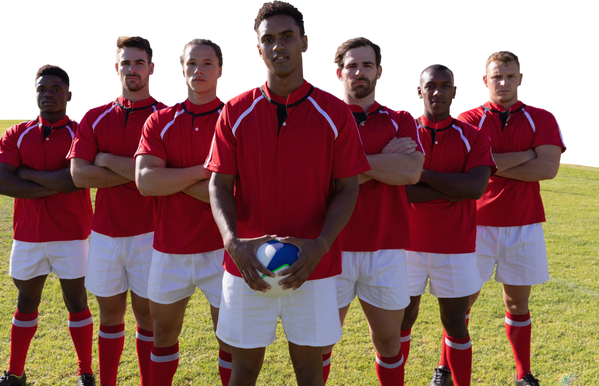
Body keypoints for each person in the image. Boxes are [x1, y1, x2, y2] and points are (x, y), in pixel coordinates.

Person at [204, 1, 370, 384]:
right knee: (243, 370)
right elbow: (219, 183)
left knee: (310, 373)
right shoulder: (235, 109)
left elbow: (347, 187)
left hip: (313, 267)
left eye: (287, 36)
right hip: (248, 267)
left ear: (306, 43)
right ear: (257, 49)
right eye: (268, 39)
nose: (279, 46)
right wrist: (233, 242)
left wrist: (321, 244)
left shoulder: (335, 111)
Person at [456, 48, 569, 386]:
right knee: (459, 306)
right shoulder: (467, 119)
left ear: (521, 78)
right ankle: (446, 369)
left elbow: (547, 168)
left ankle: (524, 374)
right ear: (483, 80)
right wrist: (525, 155)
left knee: (517, 304)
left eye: (509, 76)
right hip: (473, 225)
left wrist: (490, 163)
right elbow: (468, 167)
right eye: (496, 76)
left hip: (524, 225)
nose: (503, 82)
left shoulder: (544, 117)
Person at [321, 34, 424, 386]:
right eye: (352, 66)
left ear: (380, 72)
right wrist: (383, 164)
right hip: (330, 246)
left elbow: (410, 172)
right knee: (319, 343)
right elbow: (318, 183)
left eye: (367, 65)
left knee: (388, 341)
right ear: (338, 73)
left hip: (386, 248)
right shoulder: (322, 117)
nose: (359, 72)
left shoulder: (402, 118)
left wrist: (345, 168)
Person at [68, 33, 170, 386]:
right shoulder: (93, 115)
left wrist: (108, 160)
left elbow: (161, 177)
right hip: (105, 234)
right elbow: (80, 174)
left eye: (139, 62)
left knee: (148, 318)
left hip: (152, 234)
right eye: (125, 63)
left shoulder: (167, 115)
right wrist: (141, 174)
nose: (132, 69)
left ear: (152, 68)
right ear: (115, 68)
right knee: (109, 316)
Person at [134, 35, 232, 386]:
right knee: (163, 335)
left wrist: (171, 178)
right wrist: (208, 172)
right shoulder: (160, 120)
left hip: (224, 250)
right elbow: (146, 182)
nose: (198, 69)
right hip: (169, 248)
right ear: (180, 70)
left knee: (231, 340)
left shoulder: (236, 119)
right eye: (191, 63)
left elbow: (240, 193)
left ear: (221, 71)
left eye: (207, 63)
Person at [0, 62, 94, 386]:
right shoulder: (15, 133)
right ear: (33, 94)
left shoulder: (81, 131)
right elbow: (1, 183)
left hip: (72, 235)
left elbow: (77, 180)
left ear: (70, 96)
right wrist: (58, 181)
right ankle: (16, 374)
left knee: (77, 303)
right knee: (25, 303)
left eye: (56, 89)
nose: (49, 94)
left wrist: (29, 173)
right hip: (29, 236)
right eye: (42, 89)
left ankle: (85, 373)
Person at [400, 61, 496, 386]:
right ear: (418, 91)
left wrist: (420, 172)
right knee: (401, 321)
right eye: (430, 86)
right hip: (405, 246)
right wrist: (450, 187)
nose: (437, 92)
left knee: (455, 322)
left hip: (455, 248)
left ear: (456, 92)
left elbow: (474, 189)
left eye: (445, 86)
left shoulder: (475, 137)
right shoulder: (403, 133)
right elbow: (399, 193)